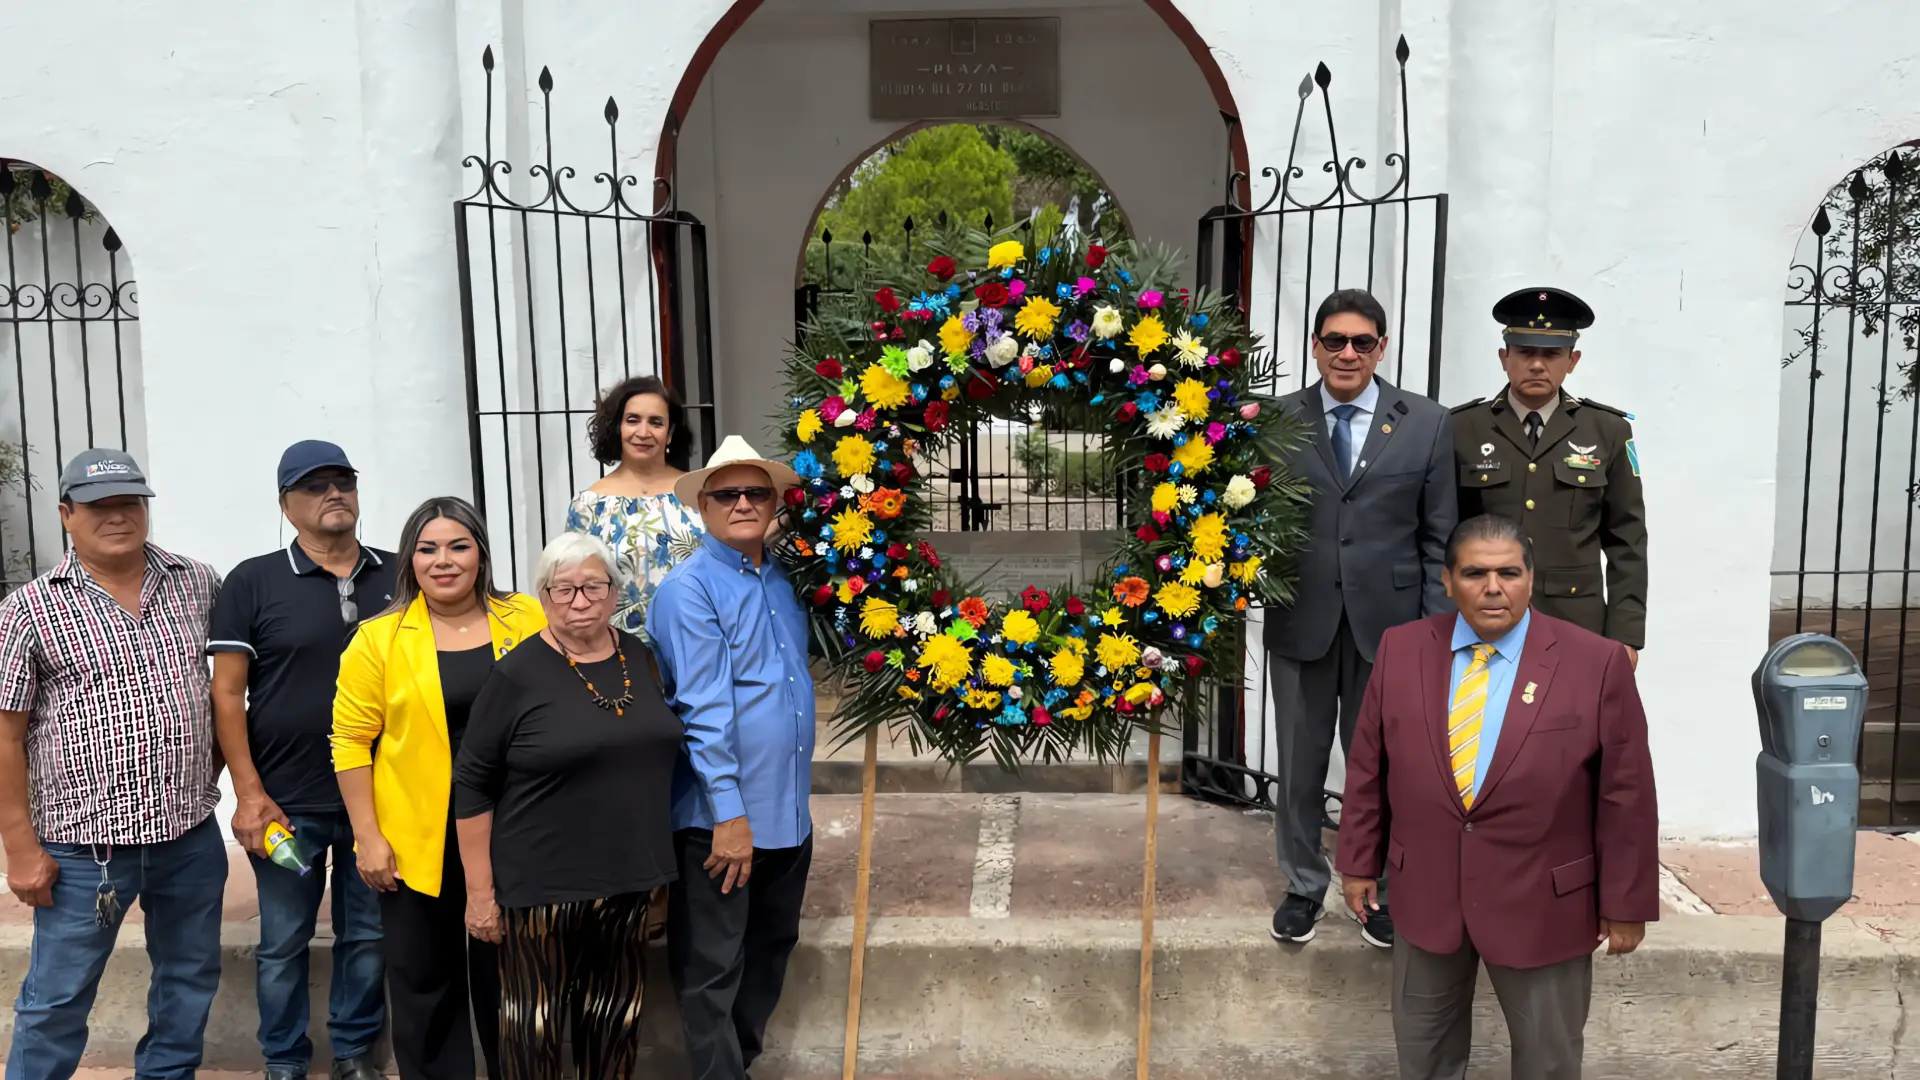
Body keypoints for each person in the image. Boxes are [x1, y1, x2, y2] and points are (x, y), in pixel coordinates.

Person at [1335, 514, 1659, 1080]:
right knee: (1425, 1059)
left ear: (1531, 579)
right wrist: (1358, 860)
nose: (1493, 587)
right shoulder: (1401, 649)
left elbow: (1626, 794)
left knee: (1548, 1064)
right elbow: (1369, 765)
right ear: (1447, 580)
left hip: (1544, 903)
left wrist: (1626, 903)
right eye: (1475, 573)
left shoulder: (1595, 662)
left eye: (1508, 572)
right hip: (1427, 897)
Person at [0, 449, 227, 1080]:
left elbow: (229, 688)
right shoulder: (28, 609)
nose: (117, 515)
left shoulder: (198, 581)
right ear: (67, 514)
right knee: (58, 998)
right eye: (99, 505)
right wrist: (20, 846)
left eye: (129, 501)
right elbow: (5, 737)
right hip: (82, 853)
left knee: (188, 985)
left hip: (189, 836)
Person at [1263, 288, 1457, 949]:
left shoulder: (1427, 423)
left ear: (1381, 348)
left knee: (1387, 767)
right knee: (1299, 763)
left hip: (1393, 628)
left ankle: (1377, 890)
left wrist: (1435, 633)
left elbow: (1440, 539)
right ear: (1315, 346)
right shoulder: (1275, 420)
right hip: (1302, 618)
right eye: (1334, 341)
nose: (1347, 353)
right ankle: (1301, 885)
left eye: (1362, 342)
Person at [331, 496, 546, 1080]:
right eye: (428, 549)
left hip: (515, 831)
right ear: (410, 560)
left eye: (458, 546)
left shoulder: (526, 619)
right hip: (414, 841)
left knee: (514, 986)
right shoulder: (378, 639)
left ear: (481, 554)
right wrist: (367, 837)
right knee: (425, 988)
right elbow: (349, 743)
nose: (443, 560)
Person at [453, 532, 680, 1080]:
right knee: (534, 1035)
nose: (579, 601)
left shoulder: (641, 656)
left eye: (593, 587)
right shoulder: (517, 673)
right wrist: (480, 893)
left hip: (627, 881)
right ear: (544, 597)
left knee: (615, 1025)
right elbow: (472, 784)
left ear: (614, 593)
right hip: (540, 889)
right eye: (563, 589)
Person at [209, 440, 393, 1080]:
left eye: (343, 480)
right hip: (288, 800)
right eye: (314, 486)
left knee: (367, 936)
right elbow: (227, 695)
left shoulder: (400, 575)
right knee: (283, 942)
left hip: (379, 799)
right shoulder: (253, 580)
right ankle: (283, 1059)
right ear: (287, 505)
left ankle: (353, 1054)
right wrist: (248, 794)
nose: (333, 493)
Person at [647, 435, 811, 1080]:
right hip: (724, 819)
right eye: (727, 493)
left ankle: (736, 1066)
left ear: (774, 502)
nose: (743, 503)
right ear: (704, 507)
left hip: (787, 812)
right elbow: (702, 710)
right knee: (712, 966)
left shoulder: (783, 579)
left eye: (756, 492)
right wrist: (730, 815)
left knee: (772, 948)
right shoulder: (689, 591)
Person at [1450, 288, 1647, 664]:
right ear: (1504, 358)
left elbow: (1628, 541)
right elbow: (1441, 532)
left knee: (1572, 722)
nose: (1537, 365)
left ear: (1572, 360)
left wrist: (1626, 635)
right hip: (1482, 618)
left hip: (1576, 621)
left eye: (1551, 354)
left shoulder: (1608, 431)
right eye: (1525, 352)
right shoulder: (1462, 428)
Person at [566, 375, 705, 639]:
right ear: (618, 427)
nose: (643, 432)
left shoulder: (696, 492)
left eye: (656, 422)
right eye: (633, 420)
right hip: (617, 651)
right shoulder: (589, 505)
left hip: (697, 643)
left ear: (671, 432)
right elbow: (576, 584)